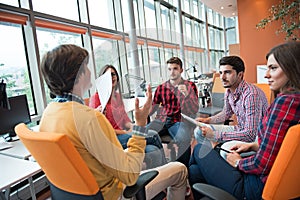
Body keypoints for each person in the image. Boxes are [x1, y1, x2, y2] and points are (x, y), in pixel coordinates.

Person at [39, 44, 188, 200]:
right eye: (87, 66)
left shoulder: (49, 114)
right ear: (79, 74)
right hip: (112, 193)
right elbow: (129, 176)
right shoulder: (89, 118)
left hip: (84, 190)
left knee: (151, 147)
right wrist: (140, 125)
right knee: (180, 170)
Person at [189, 41, 300, 200]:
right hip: (253, 141)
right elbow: (226, 113)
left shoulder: (275, 100)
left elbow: (254, 142)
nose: (266, 74)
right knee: (196, 162)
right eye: (221, 73)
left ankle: (193, 178)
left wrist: (237, 163)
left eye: (273, 68)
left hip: (255, 185)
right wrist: (209, 121)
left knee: (201, 149)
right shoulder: (290, 100)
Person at [89, 64, 166, 169]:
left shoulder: (117, 97)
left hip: (125, 134)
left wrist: (134, 127)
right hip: (112, 139)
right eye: (108, 75)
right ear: (102, 79)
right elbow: (103, 129)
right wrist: (127, 132)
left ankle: (159, 180)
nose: (112, 77)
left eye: (114, 74)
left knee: (153, 150)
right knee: (152, 135)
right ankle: (167, 167)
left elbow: (125, 121)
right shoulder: (96, 99)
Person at [194, 56, 268, 145]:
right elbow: (226, 113)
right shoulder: (229, 91)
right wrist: (207, 120)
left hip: (257, 137)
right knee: (199, 131)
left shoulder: (251, 95)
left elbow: (250, 134)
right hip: (240, 129)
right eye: (221, 73)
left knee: (225, 149)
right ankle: (211, 156)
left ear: (240, 75)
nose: (222, 77)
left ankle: (218, 154)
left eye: (227, 72)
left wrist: (215, 135)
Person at [148, 56, 199, 167]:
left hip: (179, 121)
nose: (172, 72)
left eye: (175, 68)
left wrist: (186, 95)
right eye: (170, 69)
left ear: (181, 70)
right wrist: (145, 109)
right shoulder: (161, 88)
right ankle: (163, 164)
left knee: (184, 139)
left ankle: (181, 169)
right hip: (161, 120)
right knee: (142, 134)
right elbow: (153, 108)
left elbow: (195, 109)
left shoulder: (190, 86)